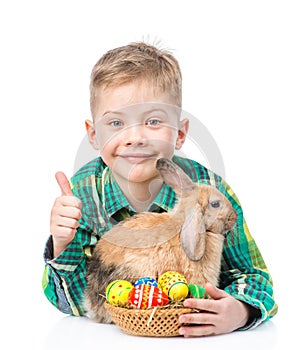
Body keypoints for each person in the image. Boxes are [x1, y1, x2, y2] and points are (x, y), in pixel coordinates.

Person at [43, 41, 278, 337]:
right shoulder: (83, 193)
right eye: (116, 123)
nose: (135, 137)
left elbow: (256, 279)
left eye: (153, 121)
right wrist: (62, 243)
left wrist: (241, 312)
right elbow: (70, 303)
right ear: (93, 135)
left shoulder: (212, 193)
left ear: (179, 134)